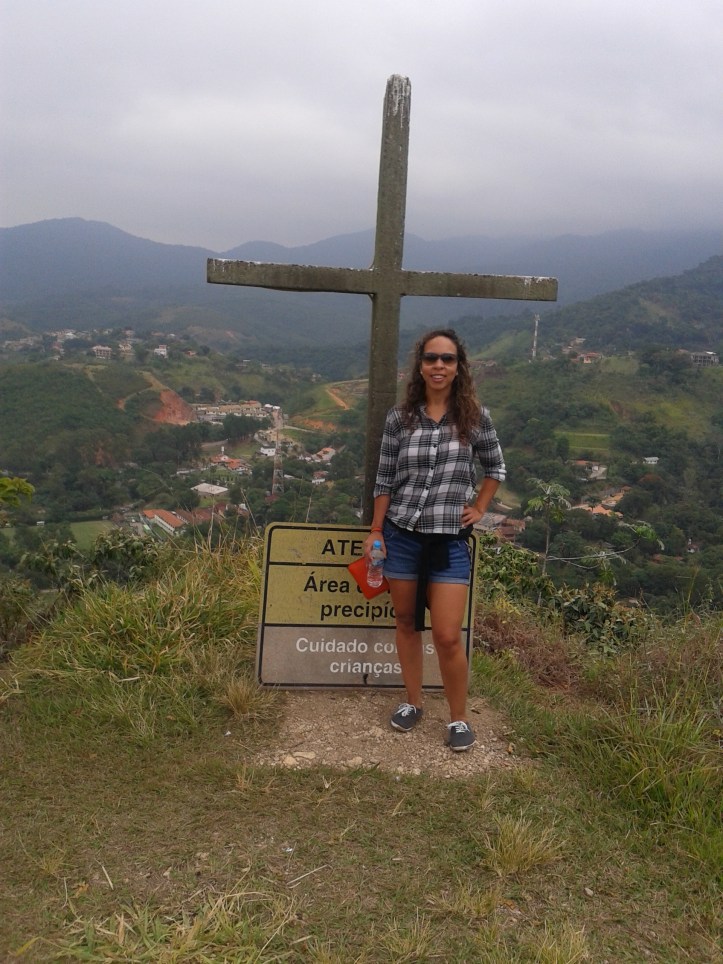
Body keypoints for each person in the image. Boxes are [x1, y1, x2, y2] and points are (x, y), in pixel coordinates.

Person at [364, 328, 506, 752]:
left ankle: (459, 718)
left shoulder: (475, 419)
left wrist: (479, 508)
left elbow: (496, 468)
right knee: (406, 623)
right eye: (431, 358)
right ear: (420, 366)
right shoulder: (400, 418)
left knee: (446, 635)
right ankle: (413, 702)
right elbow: (384, 479)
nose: (439, 366)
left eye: (447, 359)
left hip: (448, 544)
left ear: (459, 366)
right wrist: (376, 531)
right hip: (402, 537)